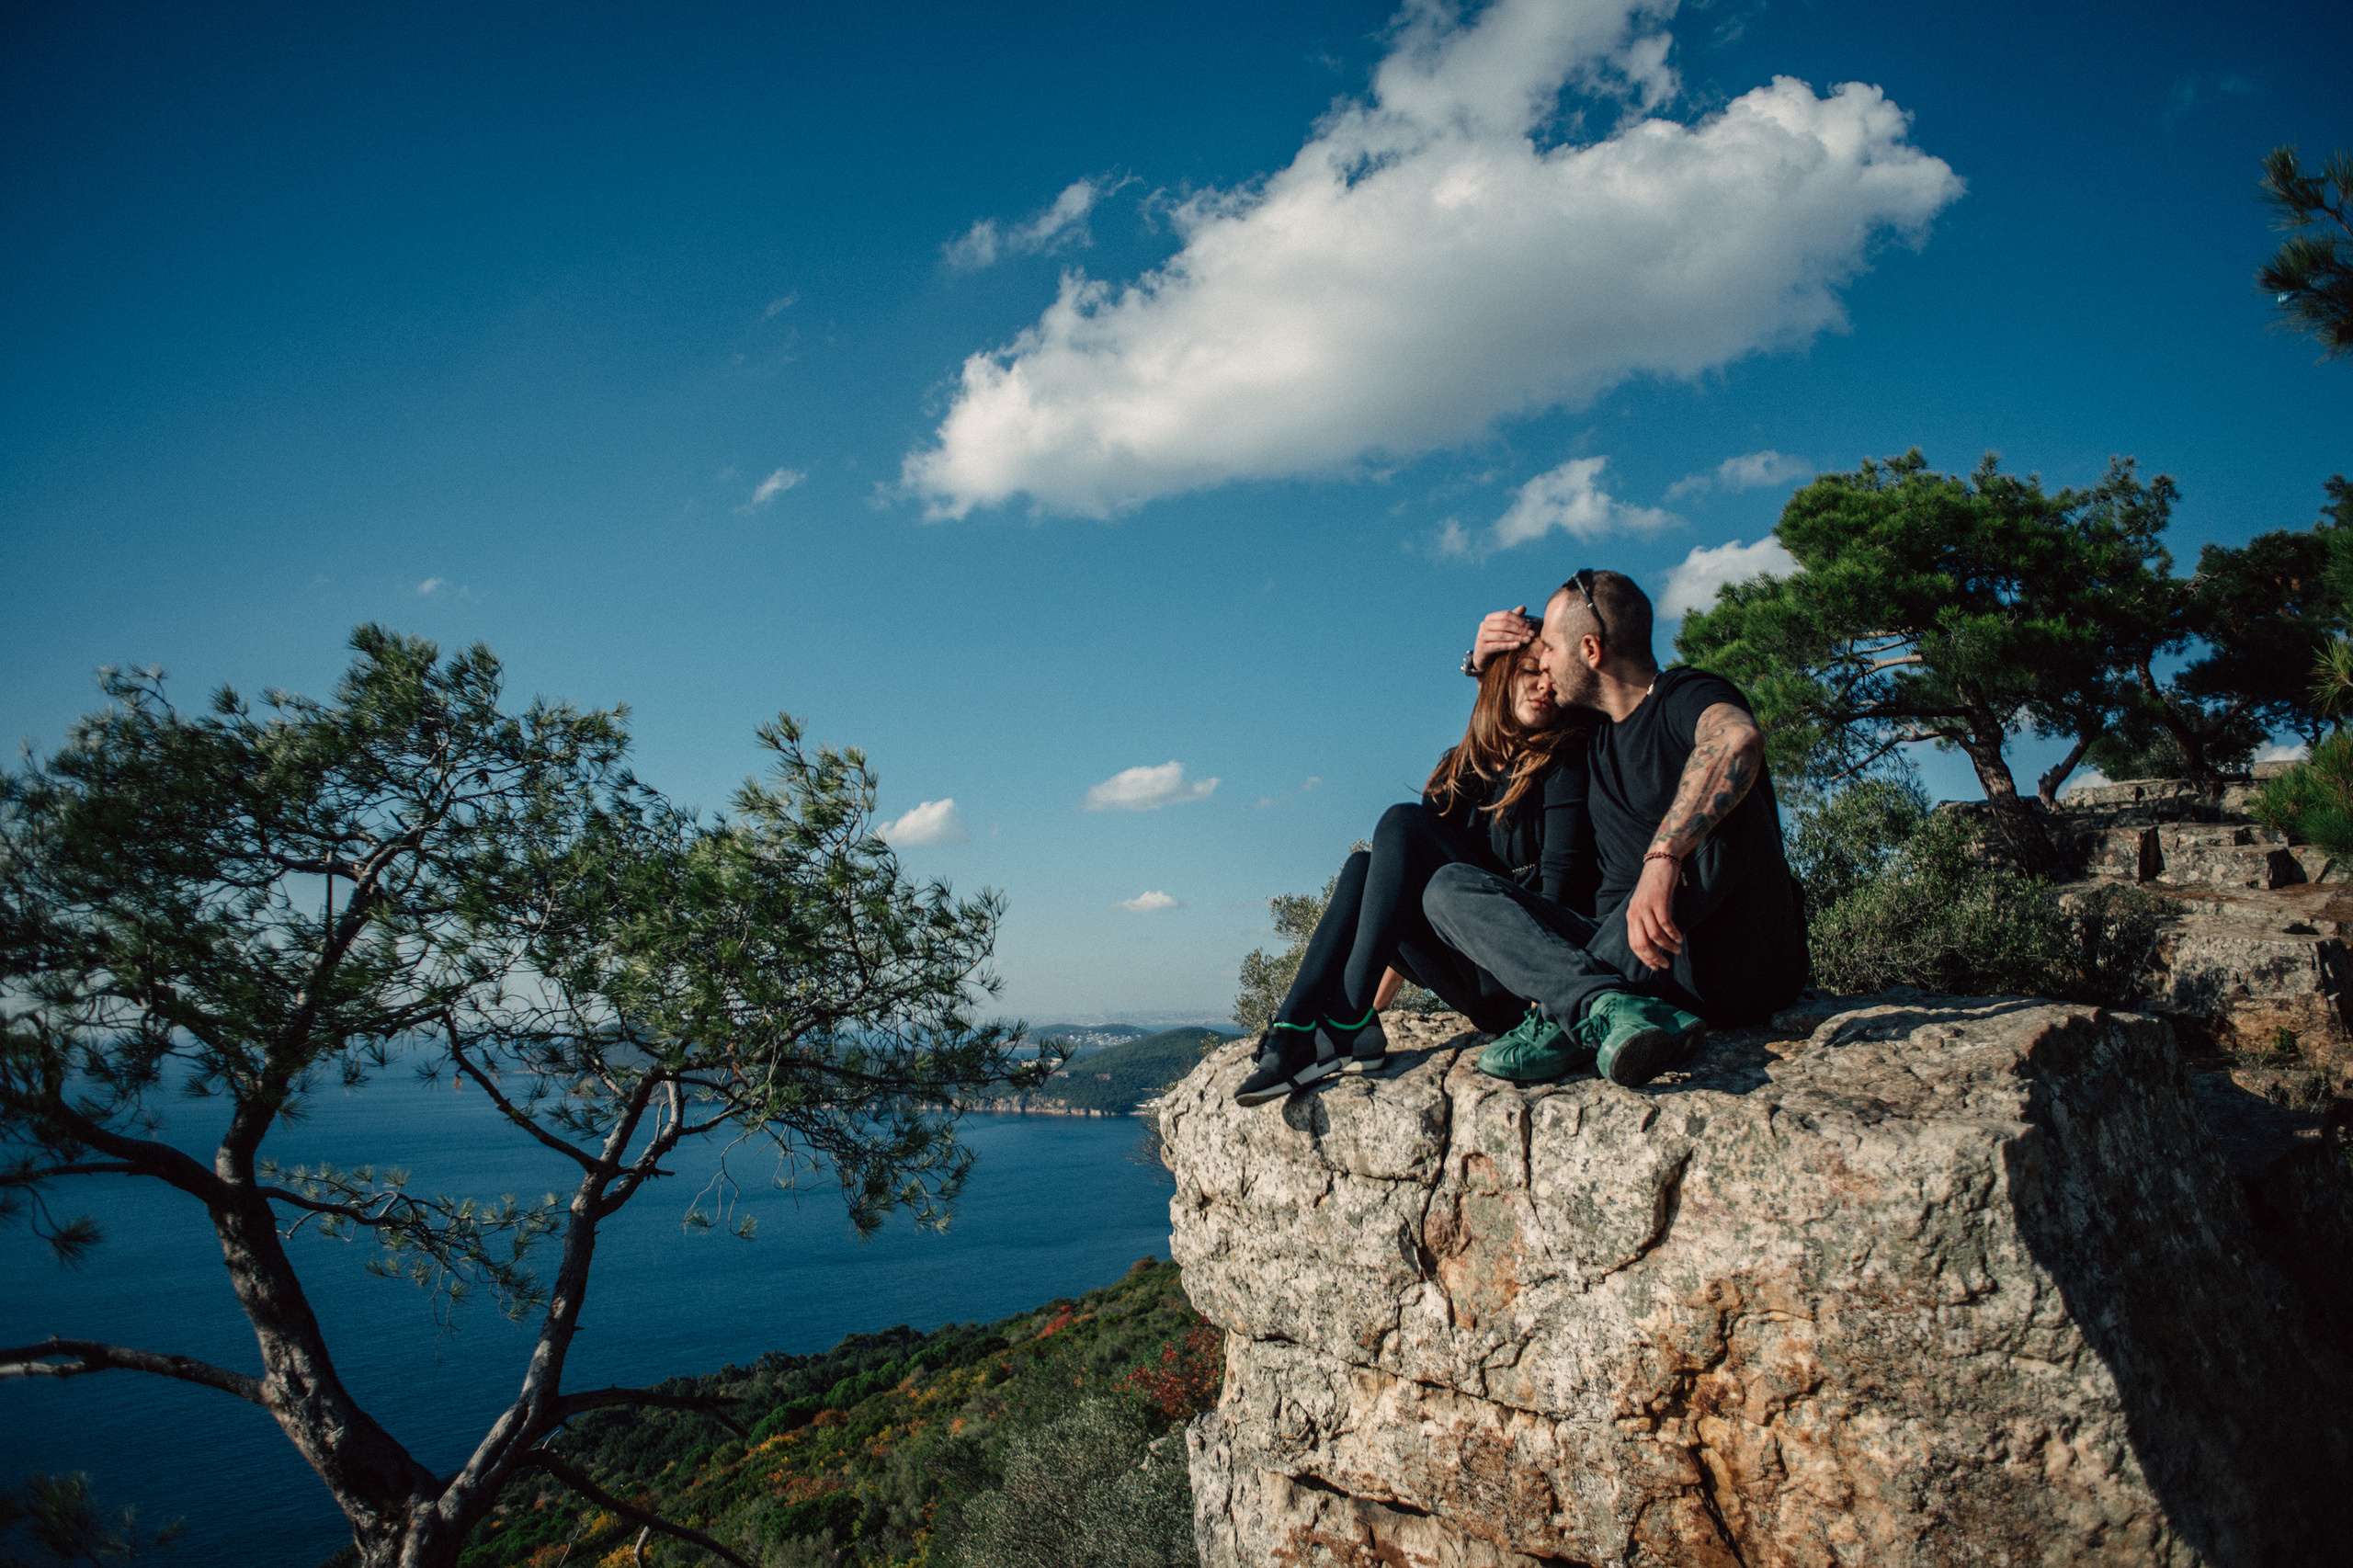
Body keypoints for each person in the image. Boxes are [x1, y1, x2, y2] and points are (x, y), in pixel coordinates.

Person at [1422, 569, 1808, 1090]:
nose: (1545, 667)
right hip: (1624, 963)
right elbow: (1508, 721)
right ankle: (1601, 1008)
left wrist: (1664, 859)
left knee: (1727, 812)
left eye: (1552, 651)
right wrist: (1481, 662)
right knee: (1446, 887)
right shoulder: (1591, 735)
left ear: (1590, 650)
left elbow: (1736, 739)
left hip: (1725, 963)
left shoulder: (1683, 695)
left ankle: (1568, 1022)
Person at [1233, 644, 1600, 1107]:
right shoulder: (1460, 772)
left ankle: (1337, 1026)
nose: (1545, 686)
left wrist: (1552, 987)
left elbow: (1561, 882)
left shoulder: (1562, 759)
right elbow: (1398, 896)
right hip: (1474, 980)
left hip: (1526, 979)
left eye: (1553, 677)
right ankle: (1306, 1026)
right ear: (1498, 681)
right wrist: (1376, 1003)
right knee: (1363, 867)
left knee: (1401, 823)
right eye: (1530, 672)